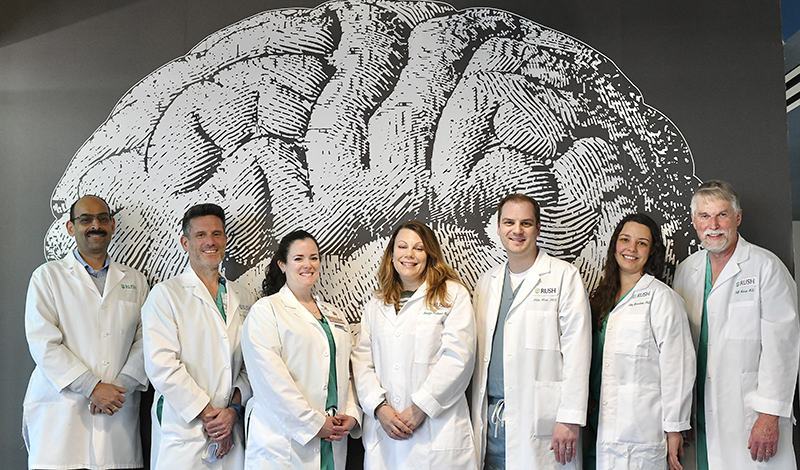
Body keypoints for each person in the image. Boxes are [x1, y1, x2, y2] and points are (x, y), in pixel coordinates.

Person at [673, 180, 800, 469]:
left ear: (738, 217)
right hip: (700, 412)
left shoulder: (765, 267)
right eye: (704, 216)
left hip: (751, 413)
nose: (713, 225)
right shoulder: (686, 271)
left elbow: (782, 348)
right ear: (694, 221)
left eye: (722, 215)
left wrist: (769, 415)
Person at [22, 195, 150, 469]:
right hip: (63, 415)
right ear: (71, 227)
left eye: (103, 219)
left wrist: (118, 389)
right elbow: (43, 343)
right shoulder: (47, 277)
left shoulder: (135, 281)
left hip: (117, 411)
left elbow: (145, 341)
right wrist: (92, 387)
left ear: (112, 225)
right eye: (86, 219)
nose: (96, 225)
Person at [471, 193, 591, 470]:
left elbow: (578, 352)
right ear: (498, 227)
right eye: (509, 222)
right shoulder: (487, 283)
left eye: (526, 223)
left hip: (544, 420)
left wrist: (570, 418)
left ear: (538, 228)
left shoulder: (564, 276)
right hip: (492, 420)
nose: (517, 230)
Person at [352, 220, 477, 469]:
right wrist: (379, 408)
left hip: (437, 432)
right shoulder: (376, 305)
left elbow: (458, 358)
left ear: (429, 255)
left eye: (419, 248)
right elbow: (362, 362)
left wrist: (422, 407)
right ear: (391, 254)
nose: (409, 254)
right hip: (386, 435)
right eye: (402, 246)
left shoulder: (453, 295)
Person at [142, 203, 254, 469]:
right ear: (185, 243)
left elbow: (252, 365)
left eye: (216, 234)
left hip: (230, 426)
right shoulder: (166, 295)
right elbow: (162, 366)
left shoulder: (244, 296)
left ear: (225, 240)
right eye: (201, 235)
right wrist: (210, 416)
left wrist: (232, 412)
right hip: (184, 427)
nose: (210, 242)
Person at [241, 230, 361, 469]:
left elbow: (345, 373)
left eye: (313, 258)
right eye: (298, 258)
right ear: (282, 265)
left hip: (333, 435)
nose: (308, 264)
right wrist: (313, 423)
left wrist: (351, 414)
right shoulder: (266, 311)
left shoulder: (334, 315)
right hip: (283, 442)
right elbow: (270, 380)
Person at [584, 213, 695, 470]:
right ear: (615, 245)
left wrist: (675, 428)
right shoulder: (600, 300)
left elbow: (678, 368)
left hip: (639, 431)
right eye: (625, 240)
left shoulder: (662, 299)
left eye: (642, 243)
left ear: (652, 251)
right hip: (596, 425)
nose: (631, 248)